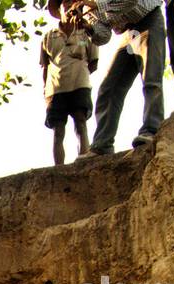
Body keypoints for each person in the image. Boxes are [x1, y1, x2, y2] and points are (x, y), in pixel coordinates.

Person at [73, 0, 166, 157]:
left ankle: (151, 129)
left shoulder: (91, 4)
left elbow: (130, 1)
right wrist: (88, 27)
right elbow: (104, 35)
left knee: (151, 78)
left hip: (148, 20)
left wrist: (96, 5)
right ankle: (102, 145)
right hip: (128, 33)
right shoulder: (87, 7)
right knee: (109, 88)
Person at [42, 0, 106, 165]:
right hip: (55, 87)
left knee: (81, 123)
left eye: (73, 2)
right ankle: (59, 168)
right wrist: (45, 90)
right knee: (58, 130)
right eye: (66, 3)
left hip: (79, 83)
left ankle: (83, 162)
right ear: (59, 9)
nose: (70, 6)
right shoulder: (49, 36)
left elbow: (93, 62)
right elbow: (45, 66)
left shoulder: (85, 32)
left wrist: (78, 67)